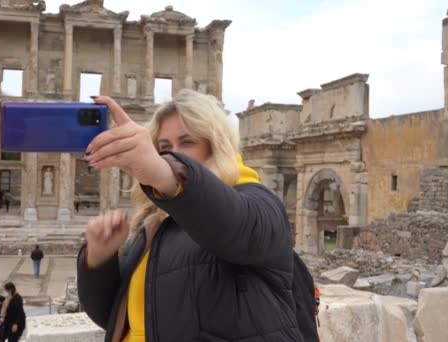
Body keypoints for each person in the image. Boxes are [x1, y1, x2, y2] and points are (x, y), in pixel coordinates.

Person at [77, 90, 301, 341]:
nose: (174, 154)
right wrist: (98, 260)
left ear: (217, 144)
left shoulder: (257, 201)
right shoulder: (154, 224)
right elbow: (115, 317)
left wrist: (169, 176)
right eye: (164, 147)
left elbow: (237, 225)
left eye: (187, 142)